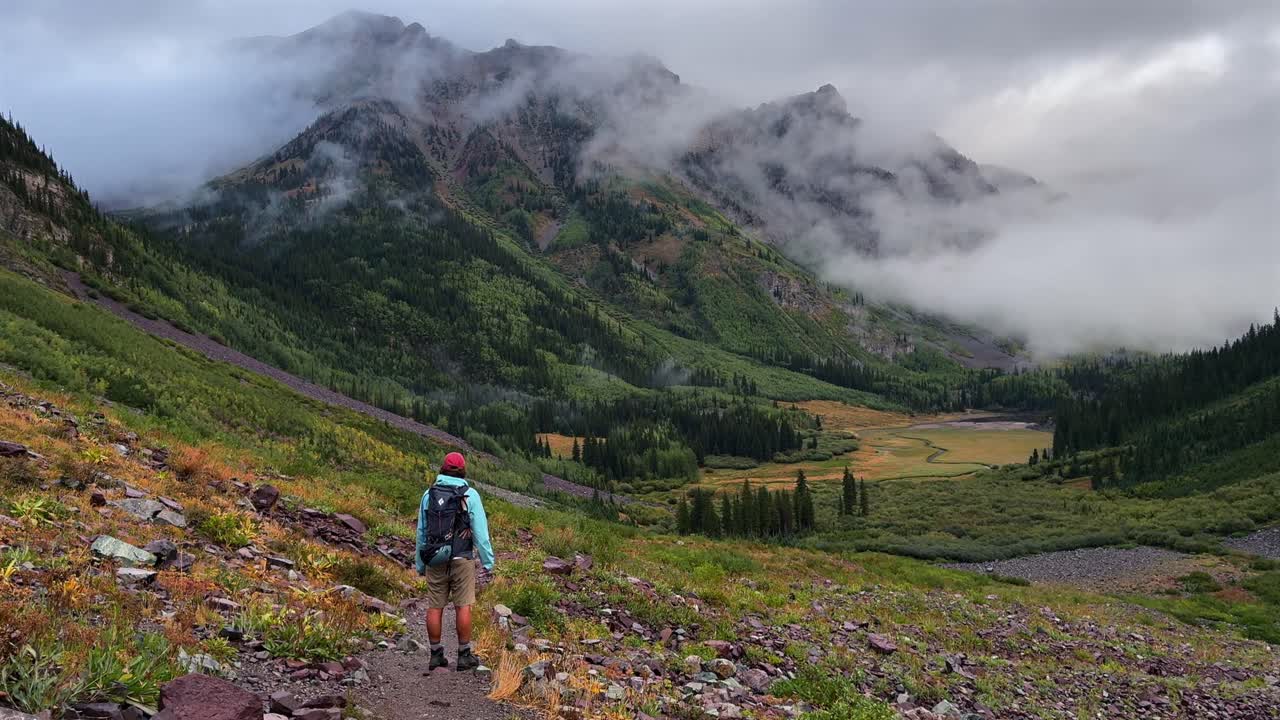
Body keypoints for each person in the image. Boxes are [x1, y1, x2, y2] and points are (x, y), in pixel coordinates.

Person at [415, 451, 495, 671]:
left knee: (435, 606)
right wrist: (488, 562)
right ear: (462, 469)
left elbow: (421, 532)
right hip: (462, 558)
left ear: (443, 468)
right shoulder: (470, 495)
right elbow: (481, 532)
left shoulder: (428, 495)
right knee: (463, 605)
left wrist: (420, 564)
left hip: (434, 557)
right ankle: (463, 655)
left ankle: (435, 654)